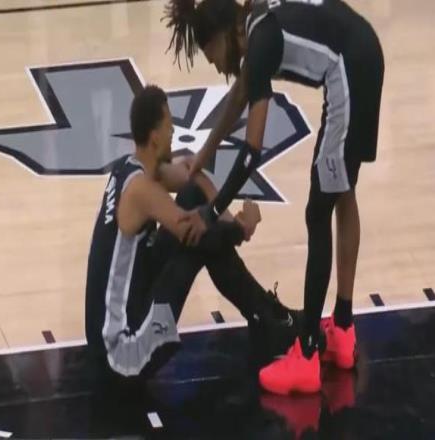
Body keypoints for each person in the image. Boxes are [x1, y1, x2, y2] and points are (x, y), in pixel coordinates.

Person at [163, 0, 384, 394]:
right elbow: (240, 95)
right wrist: (205, 154)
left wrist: (211, 212)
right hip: (364, 52)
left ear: (224, 35)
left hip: (349, 72)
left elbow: (252, 151)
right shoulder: (255, 24)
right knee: (342, 190)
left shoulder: (260, 42)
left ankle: (307, 354)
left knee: (317, 212)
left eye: (213, 56)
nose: (217, 67)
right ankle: (343, 330)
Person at [85, 85, 298, 388]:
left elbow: (190, 170)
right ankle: (265, 319)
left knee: (193, 200)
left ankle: (264, 317)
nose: (173, 132)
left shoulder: (133, 169)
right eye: (169, 126)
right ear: (155, 136)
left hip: (119, 322)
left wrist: (226, 215)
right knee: (195, 241)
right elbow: (192, 231)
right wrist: (242, 228)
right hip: (123, 356)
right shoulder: (142, 191)